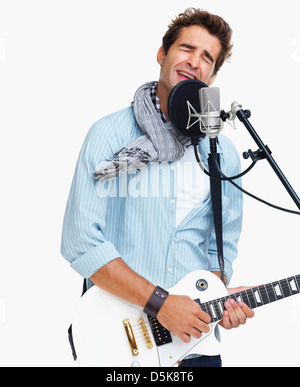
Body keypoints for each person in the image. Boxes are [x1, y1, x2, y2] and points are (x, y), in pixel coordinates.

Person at [61, 8, 254, 367]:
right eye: (186, 49)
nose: (194, 62)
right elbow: (80, 241)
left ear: (211, 76)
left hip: (195, 346)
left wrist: (216, 300)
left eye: (207, 58)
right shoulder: (110, 134)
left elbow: (219, 249)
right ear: (162, 54)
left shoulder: (220, 152)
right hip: (119, 342)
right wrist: (162, 304)